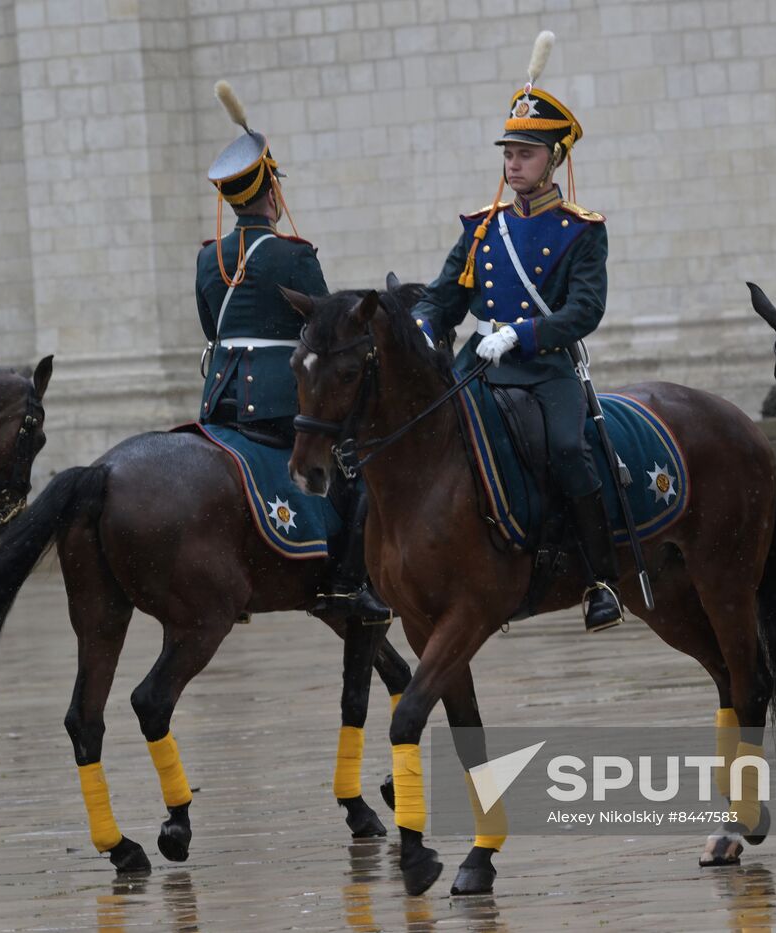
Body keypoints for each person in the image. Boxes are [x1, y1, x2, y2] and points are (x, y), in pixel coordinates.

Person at [410, 32, 622, 633]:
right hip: (480, 363)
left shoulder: (583, 230)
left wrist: (524, 334)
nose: (513, 164)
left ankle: (600, 578)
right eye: (508, 153)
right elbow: (443, 293)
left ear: (554, 159)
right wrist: (424, 325)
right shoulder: (482, 228)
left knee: (565, 450)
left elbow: (584, 310)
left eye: (526, 154)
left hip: (544, 366)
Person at [197, 84, 389, 622]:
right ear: (271, 191)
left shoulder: (207, 259)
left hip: (219, 401)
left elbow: (211, 328)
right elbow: (326, 329)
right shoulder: (292, 256)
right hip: (280, 400)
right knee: (355, 470)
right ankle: (349, 585)